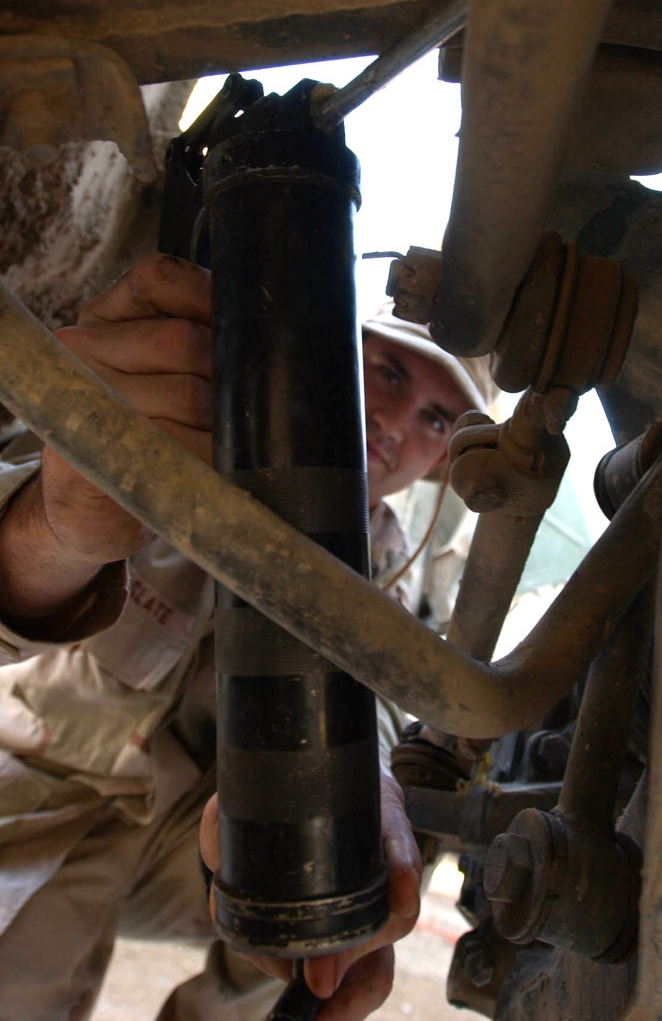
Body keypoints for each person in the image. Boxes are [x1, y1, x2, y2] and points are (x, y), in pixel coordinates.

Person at [0, 253, 495, 1021]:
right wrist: (52, 529)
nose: (394, 424)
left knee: (359, 853)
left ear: (443, 459)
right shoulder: (190, 425)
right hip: (36, 792)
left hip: (191, 850)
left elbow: (392, 698)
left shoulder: (388, 559)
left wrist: (371, 787)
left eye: (437, 419)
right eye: (390, 372)